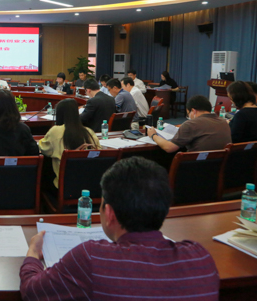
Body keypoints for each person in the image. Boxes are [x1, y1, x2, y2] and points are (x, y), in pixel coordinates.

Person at [20, 157, 219, 300]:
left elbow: (31, 291)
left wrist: (33, 253)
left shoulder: (91, 257)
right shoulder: (201, 258)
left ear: (109, 214)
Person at [38, 99, 100, 188]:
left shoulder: (55, 131)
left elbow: (44, 149)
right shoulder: (89, 132)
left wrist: (41, 140)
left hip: (64, 185)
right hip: (89, 184)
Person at [147, 95, 231, 153]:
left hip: (195, 168)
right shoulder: (224, 122)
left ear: (193, 111)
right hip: (220, 168)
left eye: (188, 114)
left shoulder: (191, 124)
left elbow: (169, 148)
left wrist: (153, 135)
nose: (189, 117)